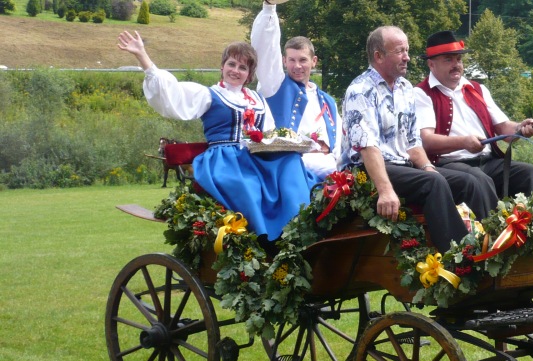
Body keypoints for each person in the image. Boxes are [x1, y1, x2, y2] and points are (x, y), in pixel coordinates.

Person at [117, 30, 318, 241]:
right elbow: (171, 94)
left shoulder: (258, 100)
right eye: (232, 64)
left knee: (292, 162)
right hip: (224, 160)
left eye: (243, 67)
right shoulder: (209, 94)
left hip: (256, 157)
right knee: (247, 184)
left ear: (249, 75)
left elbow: (269, 133)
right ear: (222, 67)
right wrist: (143, 56)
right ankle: (265, 238)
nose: (235, 70)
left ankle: (299, 225)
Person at [339, 26, 487, 253]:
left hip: (402, 167)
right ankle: (460, 258)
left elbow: (413, 142)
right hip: (367, 170)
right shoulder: (360, 90)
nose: (407, 57)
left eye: (407, 50)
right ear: (378, 56)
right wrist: (385, 191)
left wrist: (428, 167)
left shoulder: (405, 88)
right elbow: (368, 148)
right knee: (434, 184)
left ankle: (492, 246)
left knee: (468, 182)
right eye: (400, 51)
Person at [414, 31, 533, 213]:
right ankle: (493, 230)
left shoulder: (478, 89)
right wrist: (463, 142)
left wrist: (520, 127)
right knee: (479, 180)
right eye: (448, 60)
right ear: (431, 64)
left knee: (532, 173)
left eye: (459, 59)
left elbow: (504, 128)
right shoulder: (421, 94)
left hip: (489, 162)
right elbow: (426, 141)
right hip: (449, 164)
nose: (456, 65)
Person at [251, 1, 341, 180]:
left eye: (303, 60)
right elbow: (266, 50)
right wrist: (269, 7)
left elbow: (339, 141)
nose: (297, 66)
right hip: (292, 168)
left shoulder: (327, 101)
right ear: (284, 61)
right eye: (291, 60)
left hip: (330, 167)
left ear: (314, 61)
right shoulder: (275, 86)